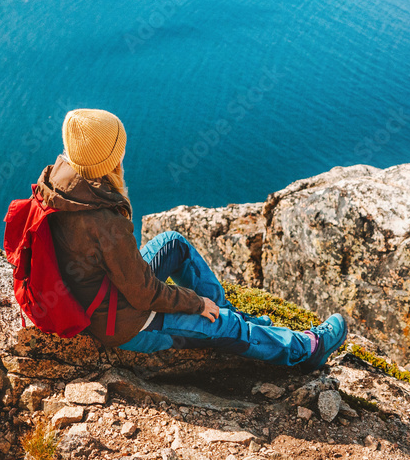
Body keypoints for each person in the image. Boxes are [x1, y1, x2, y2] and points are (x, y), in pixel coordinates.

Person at [31, 107, 347, 372]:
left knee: (172, 243)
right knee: (223, 326)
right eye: (118, 148)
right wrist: (195, 303)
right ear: (107, 159)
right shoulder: (104, 223)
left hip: (103, 294)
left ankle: (226, 312)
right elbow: (142, 295)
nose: (123, 152)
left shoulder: (59, 183)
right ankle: (306, 350)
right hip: (123, 323)